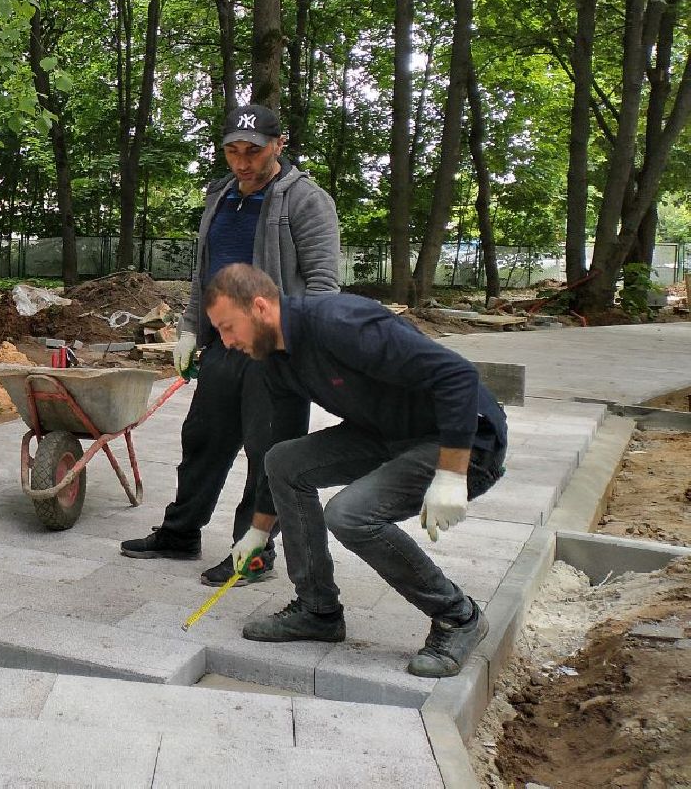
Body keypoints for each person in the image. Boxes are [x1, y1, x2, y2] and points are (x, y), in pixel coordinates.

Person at [203, 263, 508, 678]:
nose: (226, 341)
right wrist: (258, 531)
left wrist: (451, 475)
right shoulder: (273, 359)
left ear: (259, 307)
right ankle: (317, 610)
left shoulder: (339, 323)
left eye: (227, 327)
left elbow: (458, 376)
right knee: (285, 462)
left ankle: (458, 615)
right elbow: (281, 450)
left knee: (349, 515)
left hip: (462, 441)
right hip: (385, 434)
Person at [120, 104, 340, 587]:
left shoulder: (306, 201)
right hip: (224, 346)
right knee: (202, 440)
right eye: (233, 151)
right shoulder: (220, 195)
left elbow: (323, 283)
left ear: (279, 146)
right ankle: (181, 533)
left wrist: (306, 343)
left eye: (254, 151)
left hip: (275, 350)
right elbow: (206, 272)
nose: (243, 162)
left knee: (268, 454)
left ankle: (254, 554)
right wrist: (192, 327)